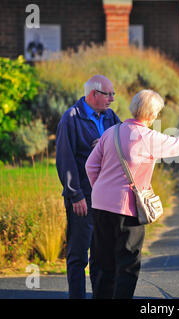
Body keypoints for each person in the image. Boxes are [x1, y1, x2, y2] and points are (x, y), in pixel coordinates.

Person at [85, 89, 179, 299]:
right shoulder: (148, 137)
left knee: (103, 262)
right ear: (151, 115)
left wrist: (101, 189)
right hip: (127, 208)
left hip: (100, 205)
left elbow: (90, 165)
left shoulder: (111, 131)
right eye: (157, 112)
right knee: (127, 264)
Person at [55, 75, 121, 298]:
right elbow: (65, 160)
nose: (112, 99)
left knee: (101, 255)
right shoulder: (71, 118)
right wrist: (76, 196)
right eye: (108, 94)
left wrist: (106, 143)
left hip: (107, 198)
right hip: (83, 198)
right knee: (78, 255)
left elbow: (125, 141)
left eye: (113, 94)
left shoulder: (110, 116)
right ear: (94, 94)